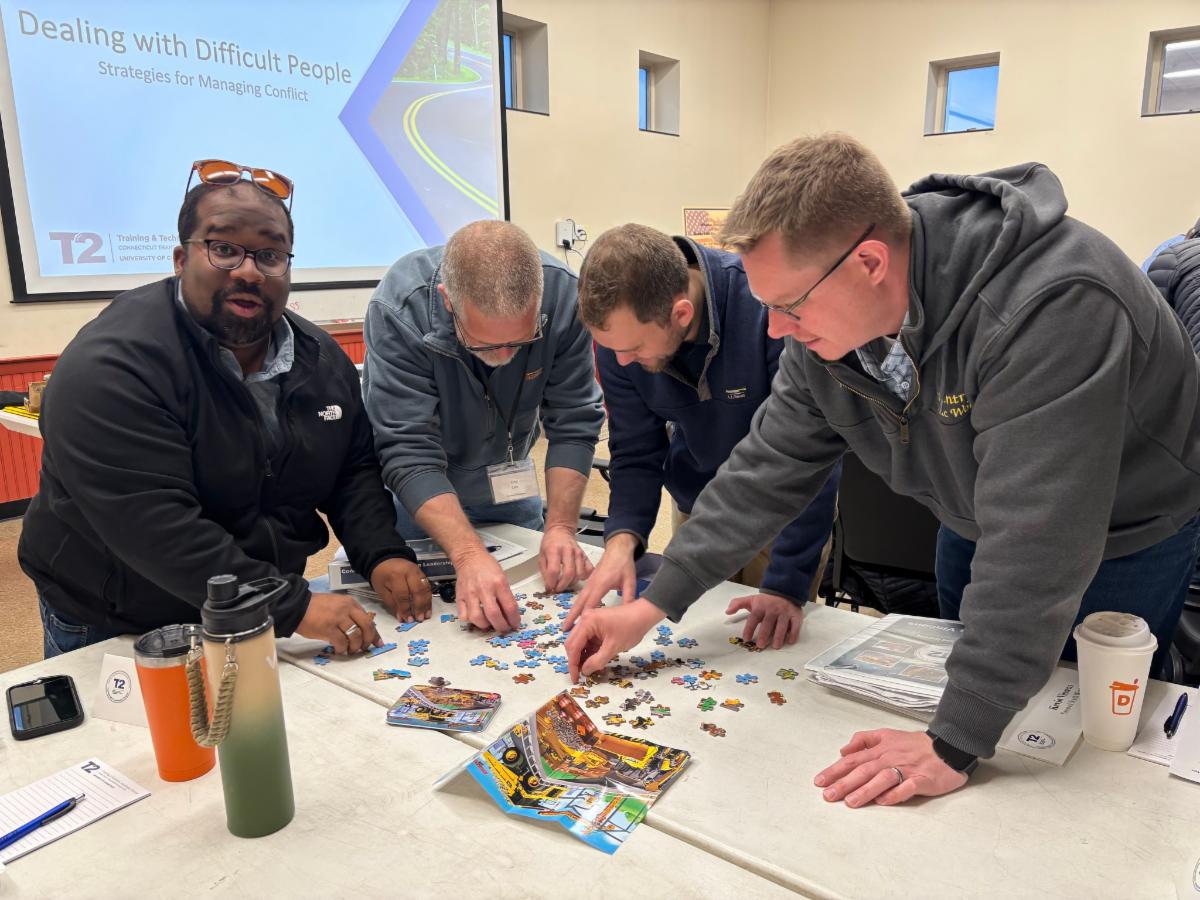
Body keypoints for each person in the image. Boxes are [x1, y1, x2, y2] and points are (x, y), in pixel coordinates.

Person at [566, 134, 1200, 809]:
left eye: (788, 306)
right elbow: (766, 468)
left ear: (868, 262)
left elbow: (1039, 538)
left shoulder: (1054, 301)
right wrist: (651, 606)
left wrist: (955, 738)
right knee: (989, 759)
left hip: (1127, 531)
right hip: (975, 521)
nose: (774, 330)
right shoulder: (823, 328)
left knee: (1089, 761)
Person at [20, 159, 430, 659]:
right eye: (224, 249)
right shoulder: (111, 366)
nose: (250, 271)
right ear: (180, 258)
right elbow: (156, 526)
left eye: (271, 254)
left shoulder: (320, 359)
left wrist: (381, 552)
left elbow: (351, 470)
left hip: (257, 603)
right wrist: (291, 607)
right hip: (122, 615)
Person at [564, 223, 839, 649]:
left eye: (634, 350)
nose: (622, 362)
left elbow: (809, 454)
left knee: (768, 643)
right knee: (696, 631)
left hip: (784, 512)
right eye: (612, 350)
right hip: (698, 503)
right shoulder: (621, 338)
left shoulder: (765, 306)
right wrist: (622, 539)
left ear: (681, 314)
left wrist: (787, 585)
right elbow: (636, 450)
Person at [363, 220, 604, 633]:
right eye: (487, 343)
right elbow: (407, 449)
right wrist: (468, 556)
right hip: (417, 498)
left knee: (524, 604)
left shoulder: (566, 297)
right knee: (425, 627)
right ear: (448, 301)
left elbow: (573, 420)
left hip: (508, 485)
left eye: (521, 341)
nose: (507, 354)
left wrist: (561, 527)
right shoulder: (399, 308)